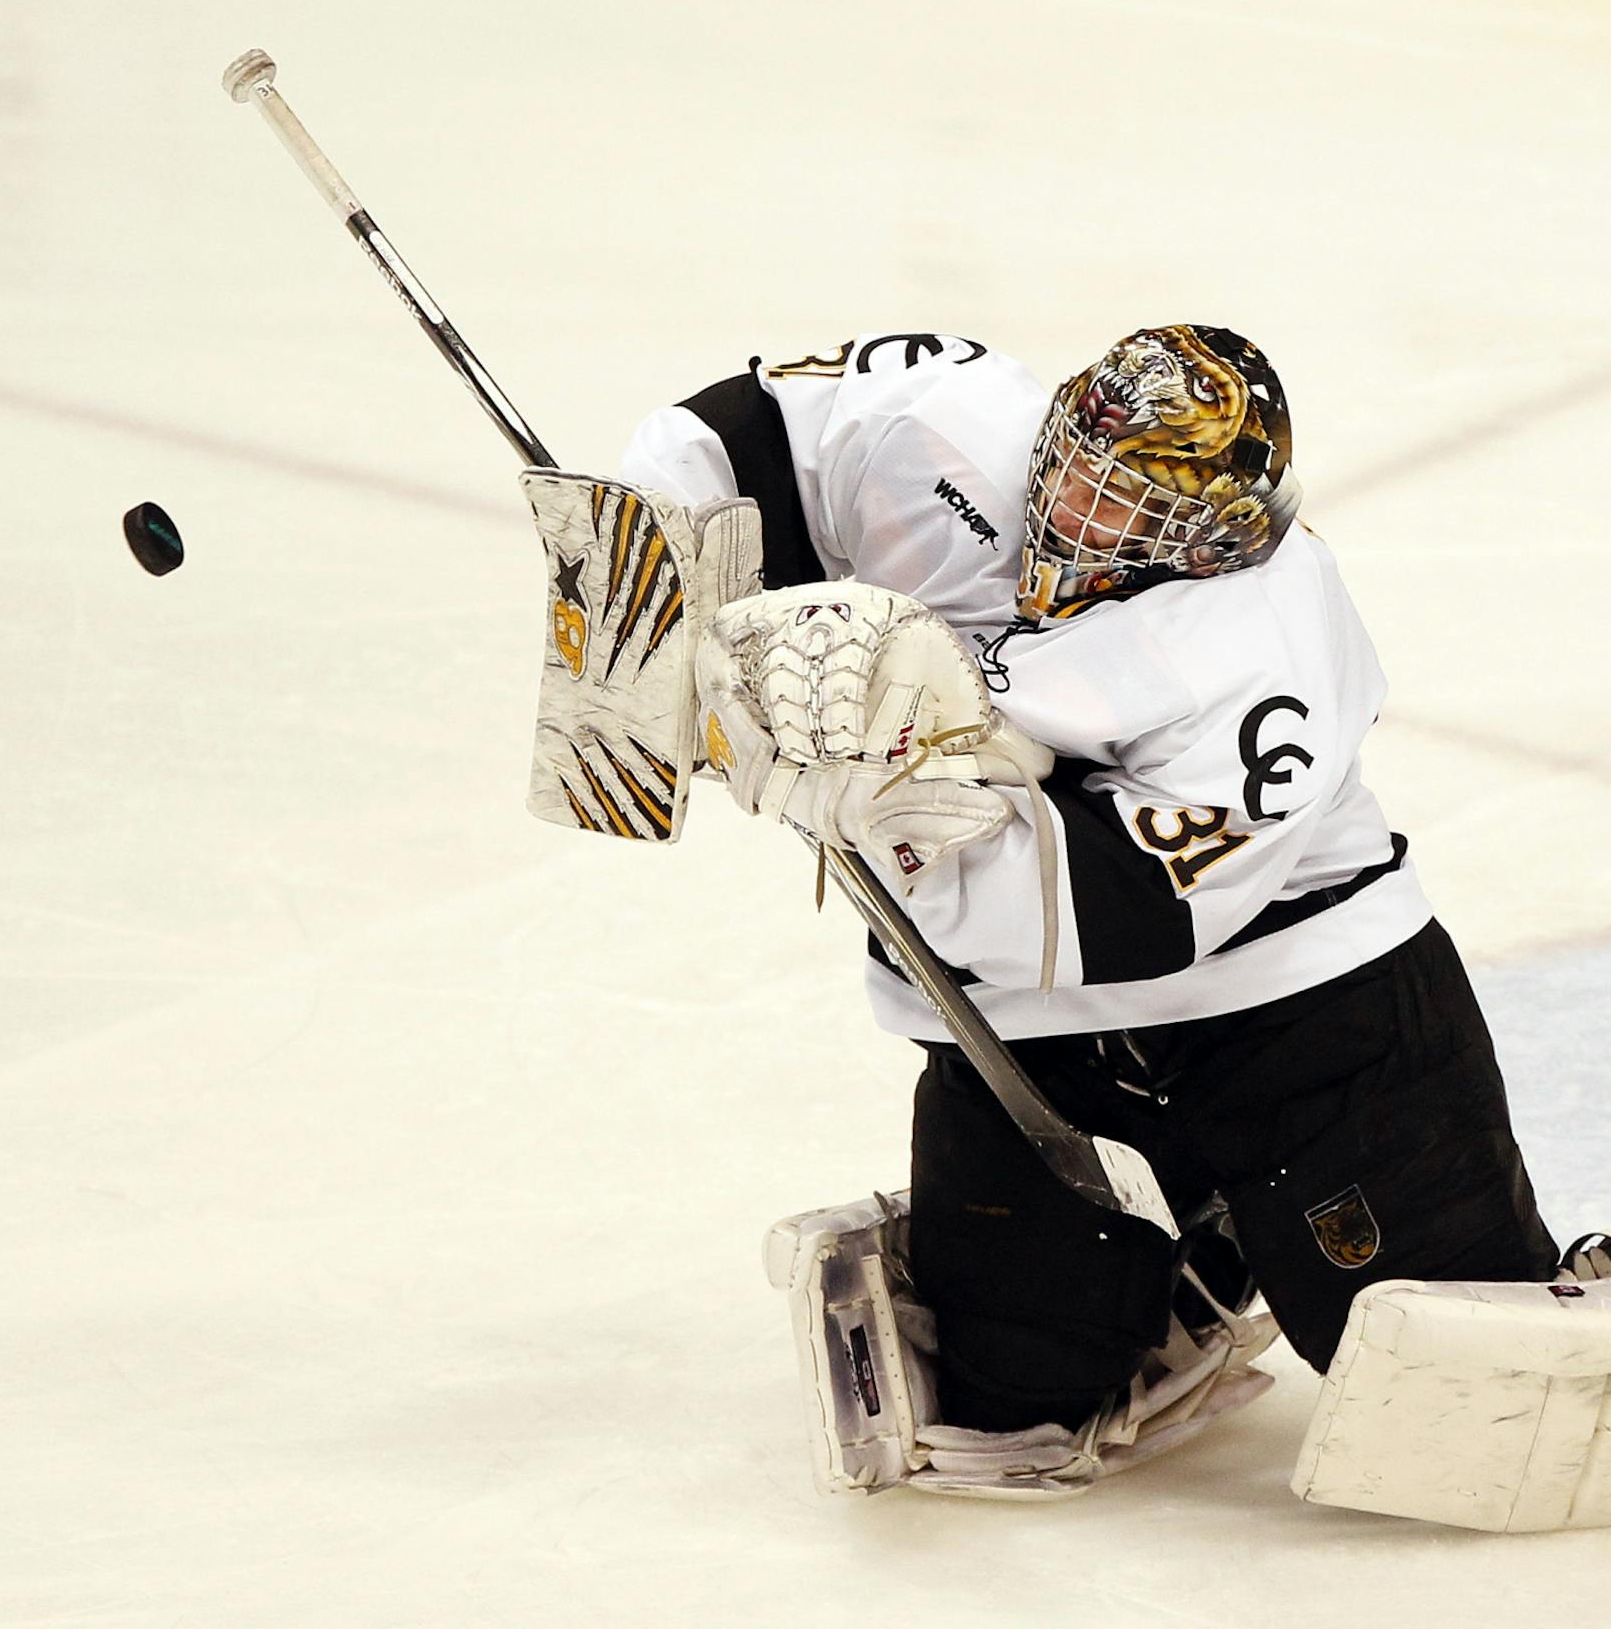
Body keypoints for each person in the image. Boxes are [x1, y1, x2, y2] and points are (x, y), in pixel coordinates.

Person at [621, 325, 1561, 1458]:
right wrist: (651, 564)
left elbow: (1112, 922)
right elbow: (758, 428)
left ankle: (1258, 1224)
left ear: (1206, 540)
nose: (1070, 512)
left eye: (1125, 507)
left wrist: (875, 801)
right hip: (1031, 1044)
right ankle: (1198, 1257)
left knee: (1469, 1392)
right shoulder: (950, 424)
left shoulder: (1268, 639)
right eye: (1072, 467)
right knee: (1007, 1408)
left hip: (1300, 1015)